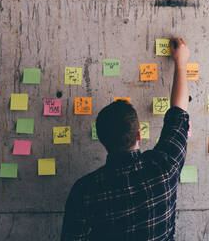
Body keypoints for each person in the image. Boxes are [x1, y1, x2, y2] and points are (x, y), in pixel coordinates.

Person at [61, 38, 190, 241]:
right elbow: (179, 113)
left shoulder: (86, 191)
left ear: (102, 140)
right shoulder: (164, 168)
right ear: (139, 134)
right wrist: (181, 62)